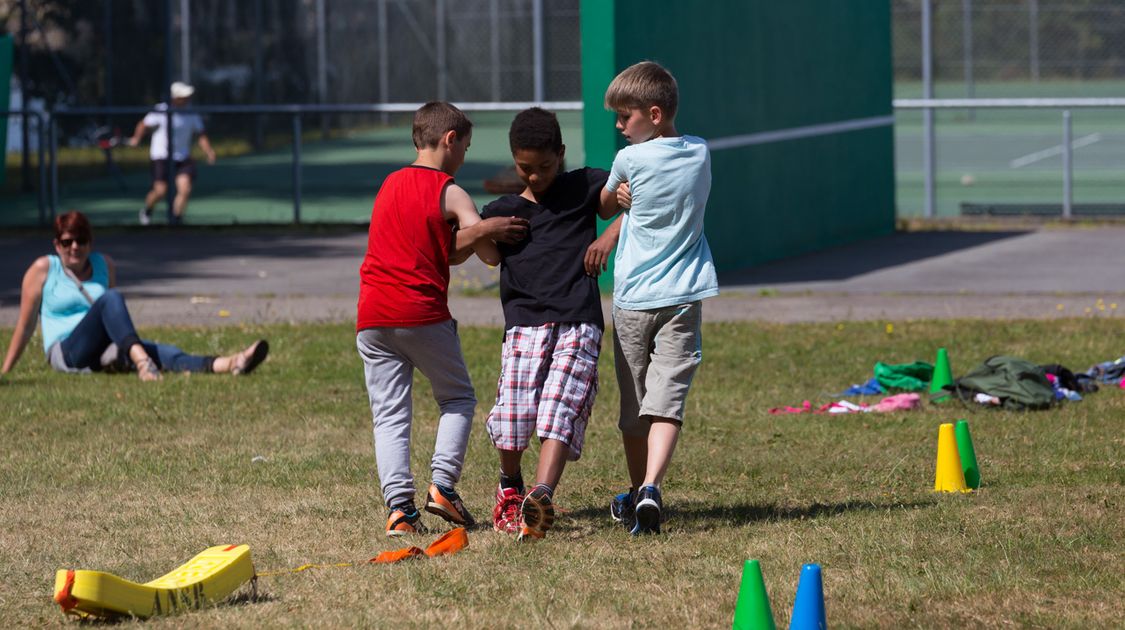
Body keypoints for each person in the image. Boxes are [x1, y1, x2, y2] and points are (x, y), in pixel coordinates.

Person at [356, 102, 530, 537]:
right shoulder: (448, 189)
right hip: (420, 312)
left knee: (390, 416)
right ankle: (443, 487)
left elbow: (439, 250)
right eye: (466, 147)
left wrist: (463, 238)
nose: (465, 157)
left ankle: (400, 510)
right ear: (449, 140)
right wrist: (486, 229)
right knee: (457, 400)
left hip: (371, 316)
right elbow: (488, 255)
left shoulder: (388, 184)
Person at [480, 108, 623, 540]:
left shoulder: (583, 186)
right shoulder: (504, 212)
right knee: (514, 413)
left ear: (561, 154)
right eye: (526, 168)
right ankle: (510, 486)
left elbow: (641, 199)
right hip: (524, 324)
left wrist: (608, 234)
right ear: (514, 159)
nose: (537, 175)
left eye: (545, 166)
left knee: (560, 408)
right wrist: (485, 228)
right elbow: (479, 252)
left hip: (579, 322)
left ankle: (540, 497)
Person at [598, 61, 720, 535]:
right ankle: (648, 488)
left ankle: (636, 491)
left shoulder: (629, 161)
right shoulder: (700, 152)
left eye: (624, 118)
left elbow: (605, 204)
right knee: (667, 401)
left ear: (651, 114)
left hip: (632, 300)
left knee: (634, 409)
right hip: (685, 296)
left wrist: (620, 198)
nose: (618, 126)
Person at [1, 211, 269, 381]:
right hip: (67, 351)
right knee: (112, 300)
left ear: (90, 243)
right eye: (67, 241)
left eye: (81, 241)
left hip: (104, 348)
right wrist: (6, 371)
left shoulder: (104, 265)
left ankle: (231, 363)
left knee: (164, 352)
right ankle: (142, 362)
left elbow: (113, 321)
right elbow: (25, 327)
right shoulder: (43, 269)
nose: (75, 247)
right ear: (56, 245)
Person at [129, 81, 216, 226]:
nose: (187, 98)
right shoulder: (161, 110)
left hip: (182, 157)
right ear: (175, 98)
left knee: (185, 188)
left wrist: (209, 151)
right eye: (184, 96)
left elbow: (201, 134)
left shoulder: (191, 113)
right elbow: (143, 124)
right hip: (161, 156)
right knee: (161, 191)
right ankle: (147, 210)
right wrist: (137, 138)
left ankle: (176, 219)